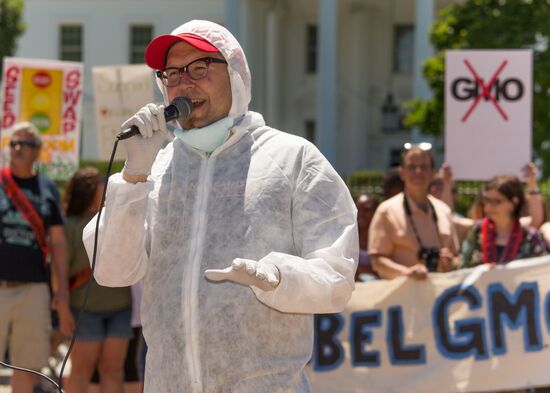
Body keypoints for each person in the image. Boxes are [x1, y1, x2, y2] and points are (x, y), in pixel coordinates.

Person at [83, 20, 358, 393]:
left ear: (235, 74)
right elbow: (112, 271)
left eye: (199, 68)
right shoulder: (158, 168)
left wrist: (277, 278)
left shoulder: (294, 159)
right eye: (172, 74)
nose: (183, 83)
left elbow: (336, 278)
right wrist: (133, 177)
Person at [0, 122, 74, 393]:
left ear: (38, 151)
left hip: (33, 289)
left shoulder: (48, 190)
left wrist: (62, 293)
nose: (18, 148)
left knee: (27, 368)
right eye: (14, 143)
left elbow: (58, 243)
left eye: (25, 144)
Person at [63, 167, 133, 393]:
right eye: (101, 184)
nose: (106, 186)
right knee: (82, 370)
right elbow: (61, 272)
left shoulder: (116, 220)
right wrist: (62, 309)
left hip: (120, 308)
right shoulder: (70, 226)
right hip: (85, 310)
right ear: (88, 191)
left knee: (113, 370)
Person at [368, 144, 460, 280]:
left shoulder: (444, 210)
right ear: (402, 172)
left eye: (424, 167)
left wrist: (451, 262)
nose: (418, 171)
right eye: (411, 167)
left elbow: (457, 257)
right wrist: (407, 273)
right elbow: (377, 260)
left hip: (439, 296)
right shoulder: (386, 211)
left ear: (432, 173)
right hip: (401, 298)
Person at [460, 175, 547, 268]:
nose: (488, 207)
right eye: (486, 200)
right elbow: (463, 267)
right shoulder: (477, 231)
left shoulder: (530, 237)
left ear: (514, 202)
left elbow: (542, 271)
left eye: (496, 201)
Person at [354, 192, 379, 281]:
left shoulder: (383, 237)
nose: (360, 213)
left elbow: (382, 270)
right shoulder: (348, 237)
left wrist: (358, 269)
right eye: (357, 209)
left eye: (366, 209)